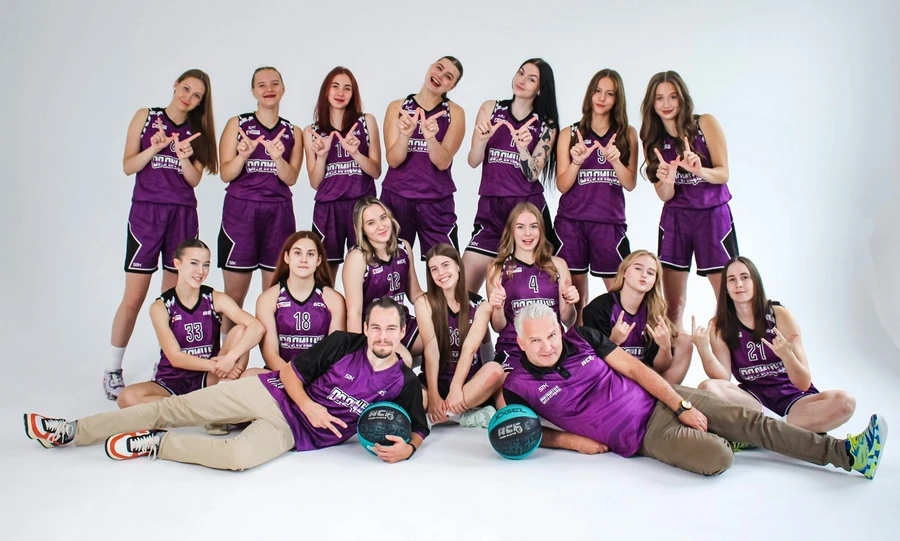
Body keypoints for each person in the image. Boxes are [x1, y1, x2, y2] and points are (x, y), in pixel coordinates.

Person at [24, 298, 429, 471]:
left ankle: (157, 444)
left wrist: (407, 449)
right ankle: (71, 430)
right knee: (176, 409)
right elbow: (291, 373)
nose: (382, 336)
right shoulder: (344, 343)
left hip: (292, 434)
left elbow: (419, 427)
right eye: (376, 327)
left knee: (237, 458)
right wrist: (310, 406)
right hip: (270, 393)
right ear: (366, 327)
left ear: (401, 332)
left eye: (390, 329)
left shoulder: (403, 381)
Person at [501, 303, 886, 479]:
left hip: (663, 397)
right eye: (536, 341)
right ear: (520, 342)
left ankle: (848, 455)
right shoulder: (517, 384)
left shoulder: (583, 337)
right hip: (644, 436)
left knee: (754, 423)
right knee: (719, 457)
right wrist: (572, 442)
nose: (547, 346)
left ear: (560, 330)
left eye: (551, 335)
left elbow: (636, 369)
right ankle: (732, 436)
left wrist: (681, 404)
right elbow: (519, 430)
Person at [105, 69, 218, 401]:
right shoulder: (146, 117)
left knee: (173, 301)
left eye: (196, 95)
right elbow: (128, 165)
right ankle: (113, 369)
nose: (188, 97)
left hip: (181, 215)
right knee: (134, 297)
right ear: (175, 85)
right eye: (186, 89)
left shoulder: (197, 131)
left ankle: (167, 365)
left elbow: (194, 180)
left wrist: (182, 158)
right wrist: (154, 148)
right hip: (146, 214)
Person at [693, 256, 857, 433]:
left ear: (756, 282)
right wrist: (704, 349)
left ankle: (770, 429)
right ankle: (786, 429)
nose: (739, 284)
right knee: (708, 388)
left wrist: (787, 356)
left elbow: (803, 382)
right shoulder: (719, 325)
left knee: (845, 402)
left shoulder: (780, 315)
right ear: (725, 288)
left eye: (745, 277)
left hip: (794, 398)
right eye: (731, 280)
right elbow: (722, 377)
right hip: (754, 401)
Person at [639, 71, 737, 331]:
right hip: (676, 219)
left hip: (712, 216)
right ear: (652, 103)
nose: (666, 104)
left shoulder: (704, 123)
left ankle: (724, 355)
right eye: (659, 98)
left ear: (683, 98)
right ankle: (674, 355)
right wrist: (668, 180)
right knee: (673, 306)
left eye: (673, 97)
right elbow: (664, 195)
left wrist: (699, 171)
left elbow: (723, 174)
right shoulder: (652, 137)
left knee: (726, 302)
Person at [115, 239, 265, 408]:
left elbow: (257, 327)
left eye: (206, 265)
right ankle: (201, 408)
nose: (201, 271)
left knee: (241, 330)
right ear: (177, 264)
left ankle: (190, 407)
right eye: (194, 263)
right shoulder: (160, 307)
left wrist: (230, 359)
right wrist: (218, 365)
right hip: (172, 381)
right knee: (127, 397)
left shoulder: (215, 298)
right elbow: (176, 358)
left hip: (208, 378)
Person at [217, 67, 304, 343]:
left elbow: (291, 178)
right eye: (262, 84)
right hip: (240, 213)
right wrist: (243, 156)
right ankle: (225, 356)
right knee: (234, 296)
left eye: (275, 83)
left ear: (283, 89)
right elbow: (226, 173)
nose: (269, 89)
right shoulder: (237, 124)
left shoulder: (293, 131)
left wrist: (277, 158)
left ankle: (270, 361)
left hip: (278, 214)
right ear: (253, 91)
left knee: (273, 297)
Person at [463, 59, 560, 294]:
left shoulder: (545, 125)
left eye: (531, 79)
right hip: (491, 208)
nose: (522, 81)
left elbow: (532, 174)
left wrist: (522, 148)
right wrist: (482, 140)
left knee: (528, 291)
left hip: (526, 209)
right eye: (521, 73)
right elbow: (473, 160)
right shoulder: (490, 109)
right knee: (463, 292)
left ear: (540, 88)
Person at [555, 69, 638, 324]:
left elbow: (630, 183)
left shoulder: (627, 134)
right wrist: (577, 162)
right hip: (572, 222)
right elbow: (562, 185)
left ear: (617, 99)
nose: (602, 98)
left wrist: (616, 161)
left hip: (609, 223)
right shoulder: (570, 133)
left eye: (609, 94)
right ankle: (580, 346)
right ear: (590, 93)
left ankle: (622, 343)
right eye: (597, 91)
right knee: (577, 299)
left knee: (621, 295)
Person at [380, 56, 466, 259]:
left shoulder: (454, 112)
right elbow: (393, 160)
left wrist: (431, 138)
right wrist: (405, 135)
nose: (440, 76)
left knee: (445, 265)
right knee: (392, 264)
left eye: (448, 76)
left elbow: (443, 162)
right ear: (430, 67)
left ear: (452, 86)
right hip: (397, 197)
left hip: (436, 200)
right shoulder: (398, 107)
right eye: (439, 68)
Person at [414, 244, 505, 428]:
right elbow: (431, 349)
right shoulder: (423, 302)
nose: (441, 273)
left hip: (466, 384)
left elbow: (469, 349)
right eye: (434, 269)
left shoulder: (481, 305)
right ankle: (460, 415)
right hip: (435, 380)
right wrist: (433, 395)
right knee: (407, 384)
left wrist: (456, 388)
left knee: (495, 370)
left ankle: (437, 416)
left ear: (457, 266)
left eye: (445, 265)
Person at [304, 66, 381, 278]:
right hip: (328, 207)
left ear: (353, 93)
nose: (341, 93)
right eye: (335, 86)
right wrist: (322, 156)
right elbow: (315, 183)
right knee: (323, 275)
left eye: (347, 88)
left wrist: (355, 153)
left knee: (366, 272)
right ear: (325, 91)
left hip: (362, 205)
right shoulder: (311, 131)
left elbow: (376, 171)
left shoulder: (366, 121)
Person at [486, 202, 578, 371]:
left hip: (551, 348)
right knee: (507, 385)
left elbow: (568, 320)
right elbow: (498, 327)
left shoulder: (558, 265)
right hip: (513, 347)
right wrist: (497, 307)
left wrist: (570, 302)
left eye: (533, 226)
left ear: (541, 230)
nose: (527, 233)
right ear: (511, 230)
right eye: (520, 227)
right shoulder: (498, 268)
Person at [582, 250, 691, 384]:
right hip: (610, 378)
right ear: (624, 272)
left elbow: (660, 367)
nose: (644, 275)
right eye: (638, 268)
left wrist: (665, 347)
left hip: (643, 375)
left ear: (654, 281)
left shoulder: (653, 311)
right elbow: (590, 363)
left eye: (650, 273)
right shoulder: (598, 308)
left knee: (684, 342)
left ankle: (664, 394)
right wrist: (613, 342)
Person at [249, 231, 346, 374]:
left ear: (319, 260)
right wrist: (293, 378)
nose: (304, 259)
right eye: (297, 253)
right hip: (281, 373)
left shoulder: (334, 299)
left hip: (319, 377)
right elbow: (270, 354)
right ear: (286, 257)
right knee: (248, 375)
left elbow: (333, 353)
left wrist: (309, 378)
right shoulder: (268, 299)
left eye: (310, 254)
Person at [343, 197, 423, 356]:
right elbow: (354, 312)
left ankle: (413, 370)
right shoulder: (357, 258)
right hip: (376, 328)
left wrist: (445, 307)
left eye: (383, 217)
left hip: (401, 321)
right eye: (371, 223)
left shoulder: (403, 247)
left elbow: (415, 294)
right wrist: (355, 354)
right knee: (405, 359)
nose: (381, 226)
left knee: (440, 340)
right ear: (362, 229)